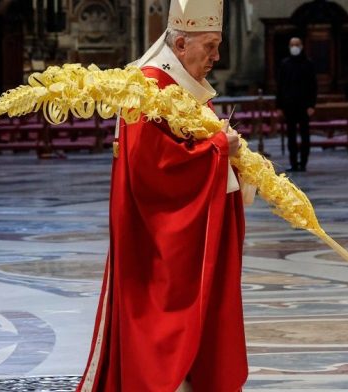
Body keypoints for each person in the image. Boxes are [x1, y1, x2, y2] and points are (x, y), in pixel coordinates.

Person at [77, 0, 251, 391]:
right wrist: (220, 148)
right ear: (182, 43)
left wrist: (224, 151)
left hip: (176, 235)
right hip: (153, 238)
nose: (216, 57)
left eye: (217, 45)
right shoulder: (148, 87)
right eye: (210, 46)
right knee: (159, 321)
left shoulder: (180, 83)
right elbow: (152, 169)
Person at [276, 37, 317, 172]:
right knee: (291, 136)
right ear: (289, 47)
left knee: (305, 135)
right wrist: (279, 106)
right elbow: (280, 87)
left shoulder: (308, 64)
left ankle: (303, 163)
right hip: (289, 105)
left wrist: (312, 105)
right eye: (292, 44)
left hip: (304, 106)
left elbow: (313, 87)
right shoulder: (285, 64)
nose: (294, 47)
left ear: (302, 46)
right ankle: (293, 163)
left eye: (297, 44)